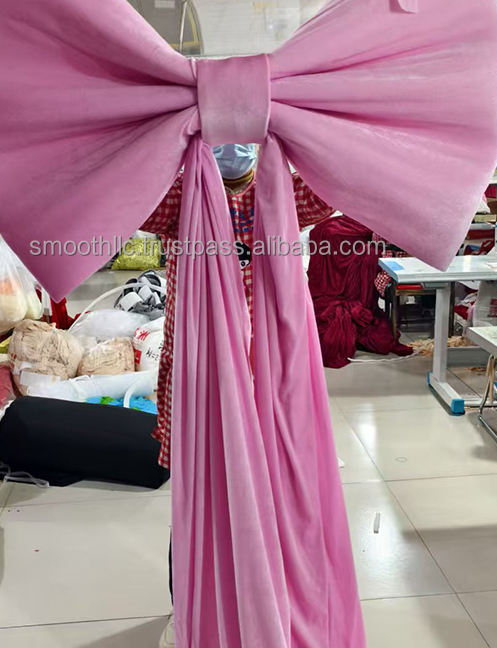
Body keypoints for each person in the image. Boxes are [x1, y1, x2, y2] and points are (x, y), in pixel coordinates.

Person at [140, 142, 334, 648]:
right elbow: (130, 199)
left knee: (271, 494)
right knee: (200, 495)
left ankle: (266, 607)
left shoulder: (285, 190)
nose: (235, 144)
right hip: (204, 380)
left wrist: (295, 133)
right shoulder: (180, 195)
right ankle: (194, 612)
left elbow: (336, 179)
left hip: (267, 379)